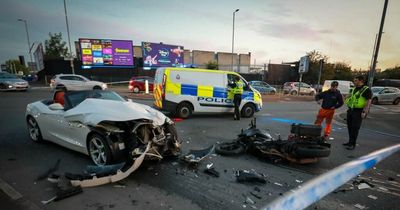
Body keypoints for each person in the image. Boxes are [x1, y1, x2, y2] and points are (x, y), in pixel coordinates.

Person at [343, 76, 372, 150]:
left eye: (356, 81)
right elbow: (352, 96)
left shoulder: (366, 89)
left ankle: (353, 144)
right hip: (351, 110)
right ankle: (350, 142)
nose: (354, 82)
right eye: (354, 80)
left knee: (355, 128)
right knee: (350, 127)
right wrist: (346, 96)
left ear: (361, 81)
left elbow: (368, 101)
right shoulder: (354, 88)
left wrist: (364, 111)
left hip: (358, 111)